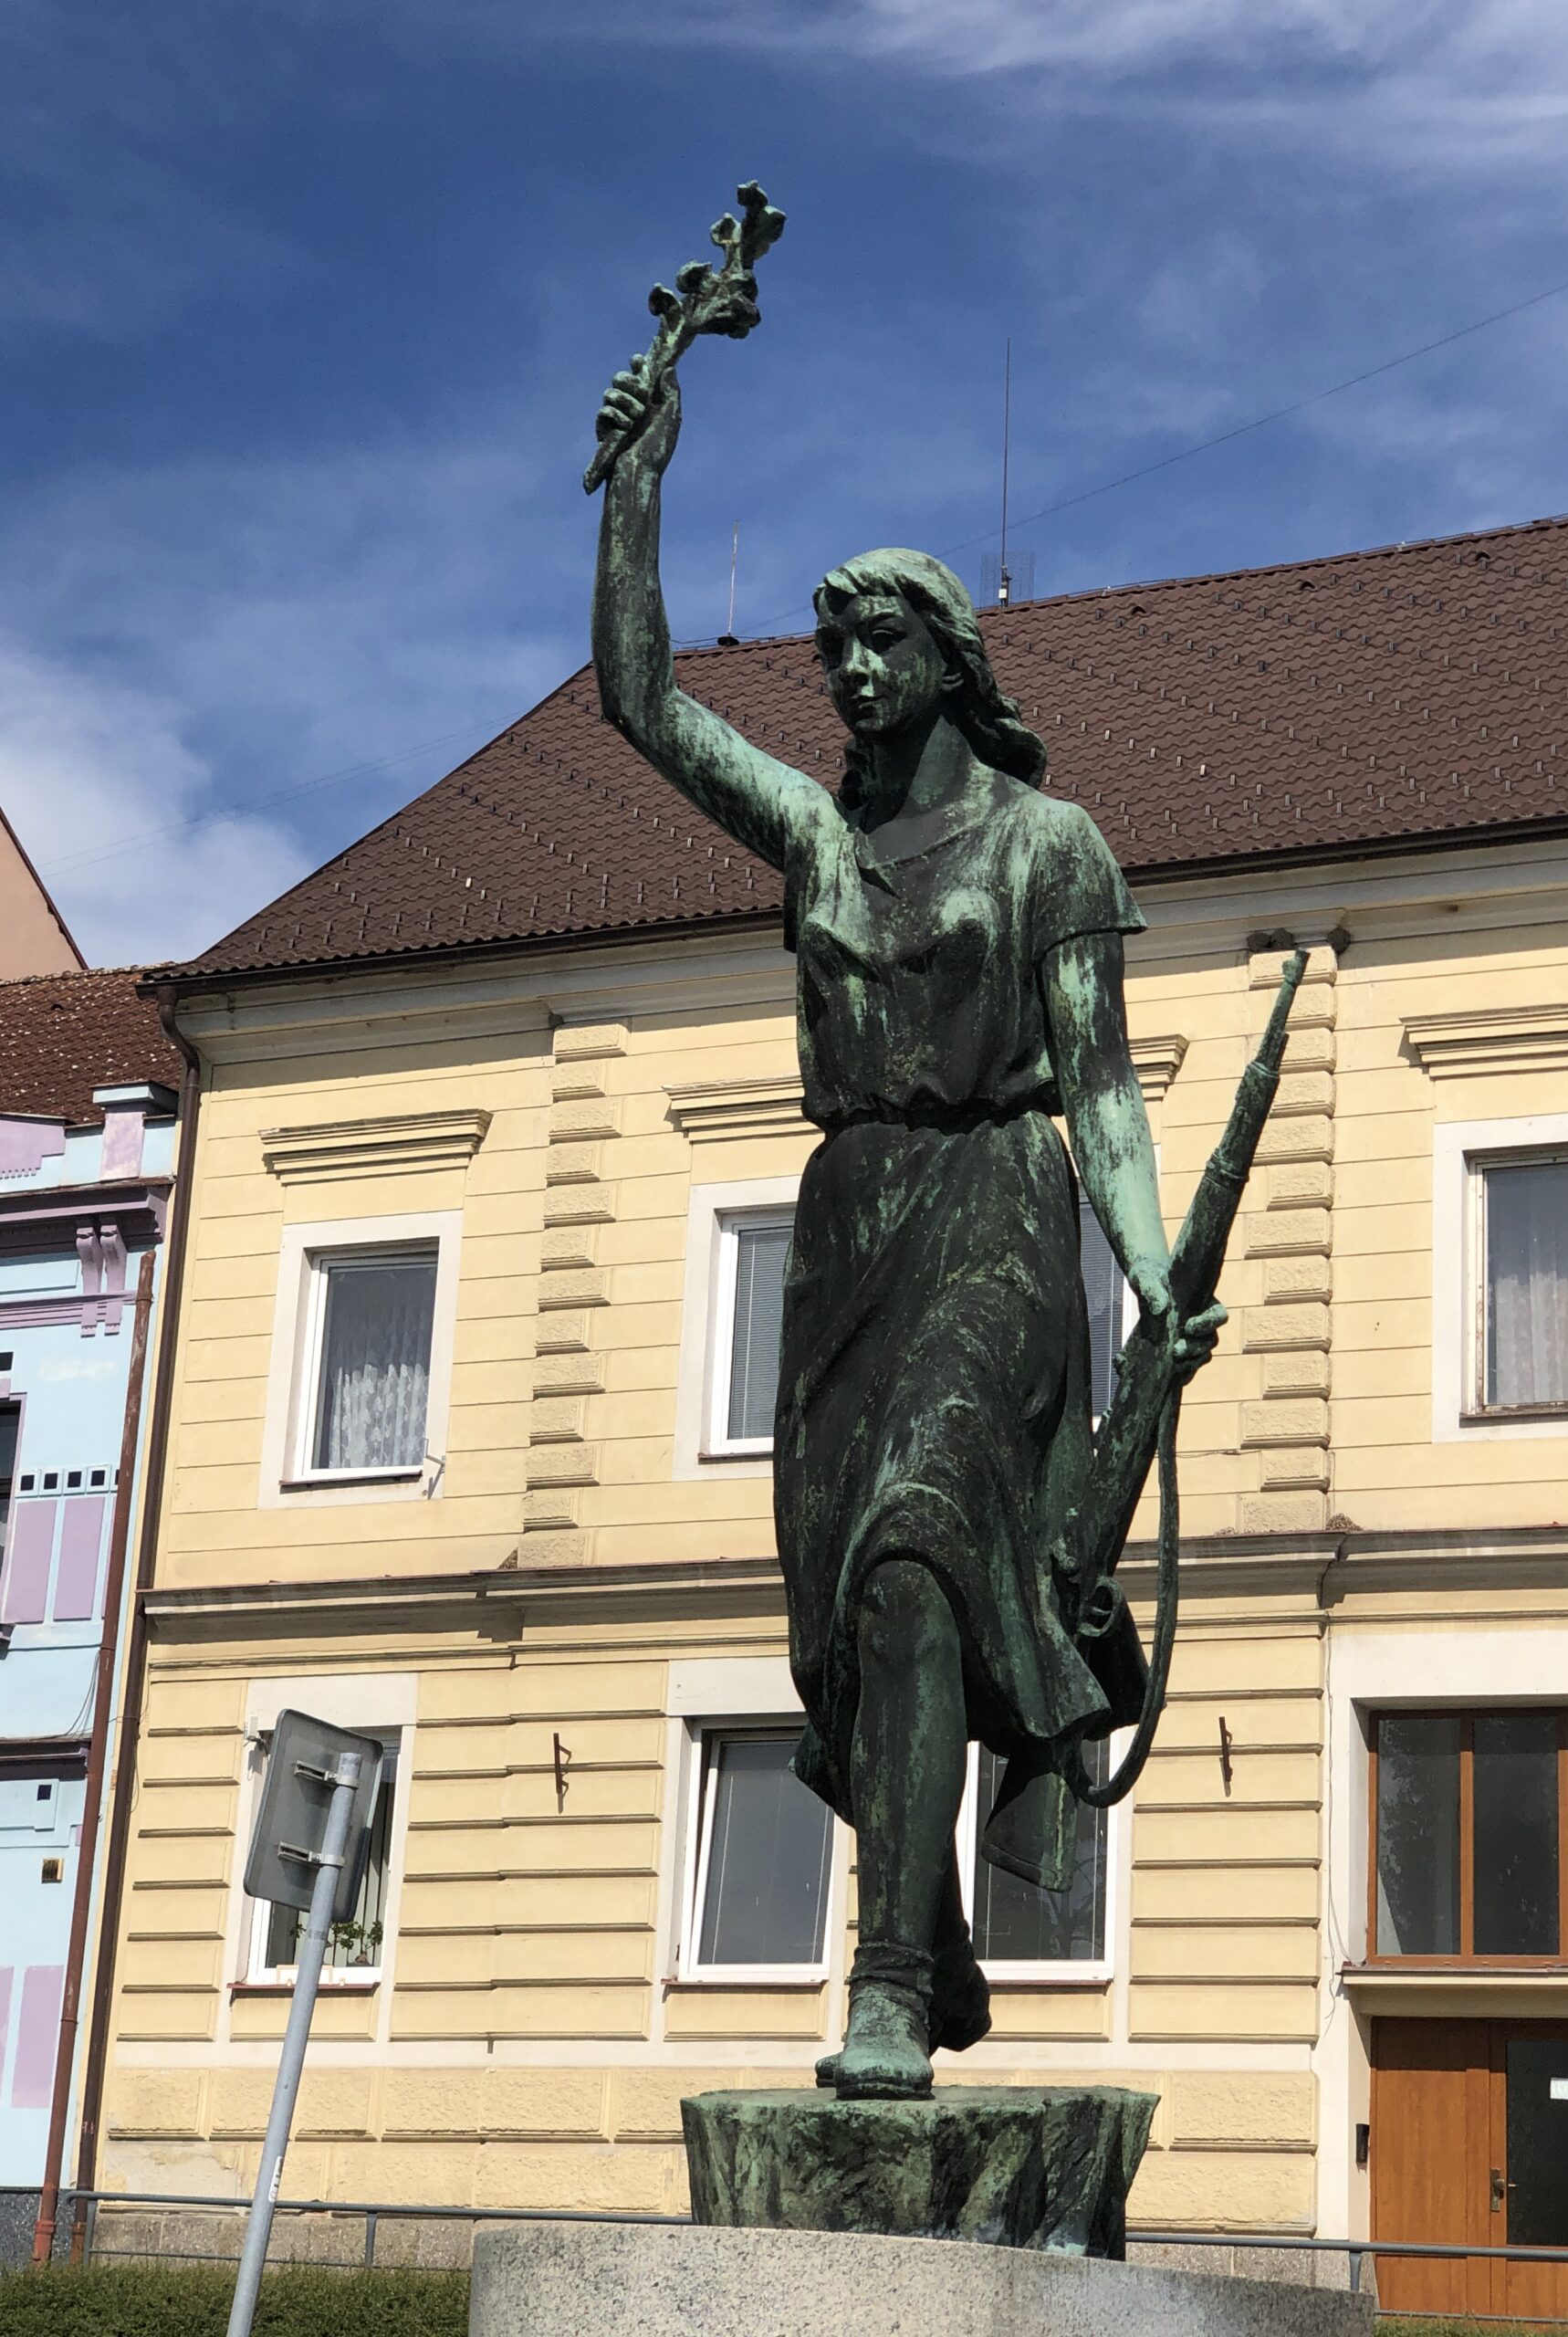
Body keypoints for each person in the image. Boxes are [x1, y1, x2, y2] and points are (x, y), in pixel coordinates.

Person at [590, 354, 1224, 2101]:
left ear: (951, 658)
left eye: (881, 642)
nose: (852, 671)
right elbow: (640, 700)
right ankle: (927, 1927)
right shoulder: (817, 836)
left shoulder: (1050, 846)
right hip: (847, 1229)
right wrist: (639, 486)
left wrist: (1151, 1270)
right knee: (853, 1634)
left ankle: (882, 1983)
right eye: (835, 651)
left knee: (917, 1550)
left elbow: (1101, 1084)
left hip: (1000, 1210)